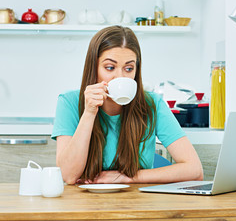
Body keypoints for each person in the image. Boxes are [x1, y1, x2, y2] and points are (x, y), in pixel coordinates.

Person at [51, 26, 203, 185]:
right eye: (110, 67)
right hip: (83, 204)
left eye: (129, 68)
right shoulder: (69, 102)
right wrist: (89, 113)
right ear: (93, 67)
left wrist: (124, 177)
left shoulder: (152, 104)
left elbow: (194, 170)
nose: (120, 76)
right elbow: (68, 176)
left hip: (138, 203)